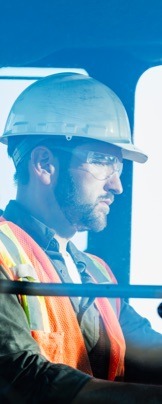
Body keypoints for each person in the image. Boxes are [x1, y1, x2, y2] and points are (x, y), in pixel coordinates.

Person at [0, 72, 162, 403]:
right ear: (44, 163)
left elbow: (147, 356)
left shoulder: (96, 274)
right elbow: (25, 379)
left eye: (117, 167)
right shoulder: (4, 255)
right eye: (102, 162)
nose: (116, 185)